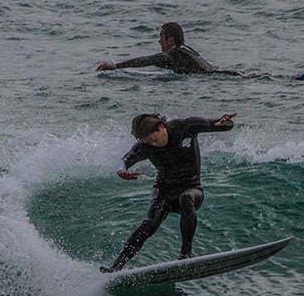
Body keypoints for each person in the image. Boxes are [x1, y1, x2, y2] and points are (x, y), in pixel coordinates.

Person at [100, 112, 237, 273]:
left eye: (154, 139)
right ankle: (116, 267)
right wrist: (121, 171)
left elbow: (221, 125)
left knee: (186, 198)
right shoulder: (146, 146)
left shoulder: (185, 127)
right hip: (164, 190)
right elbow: (124, 160)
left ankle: (185, 255)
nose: (153, 144)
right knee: (149, 224)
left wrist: (226, 123)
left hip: (192, 189)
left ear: (162, 127)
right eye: (148, 142)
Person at [96, 22, 304, 80]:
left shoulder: (171, 54)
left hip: (217, 79)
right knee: (269, 79)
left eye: (160, 38)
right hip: (224, 74)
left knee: (274, 81)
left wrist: (115, 66)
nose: (159, 43)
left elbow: (146, 60)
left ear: (169, 39)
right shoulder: (185, 48)